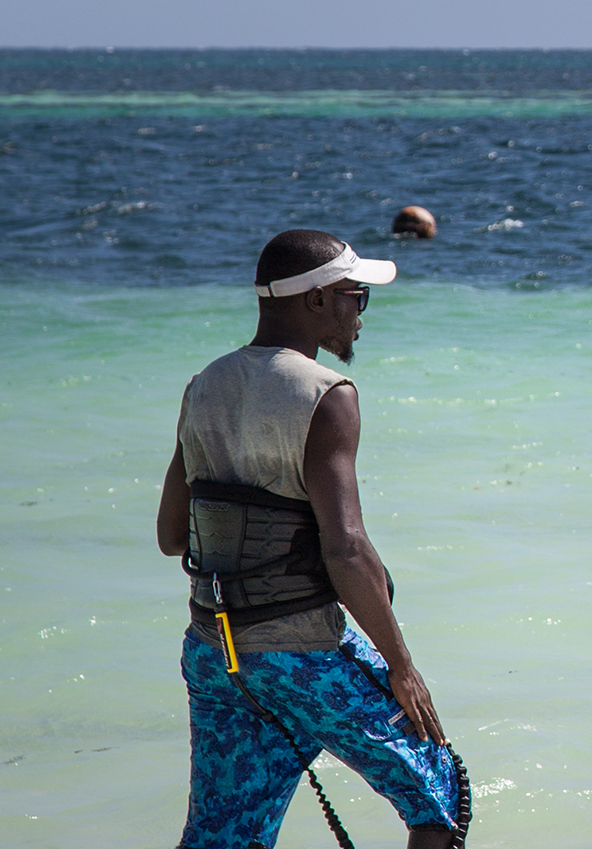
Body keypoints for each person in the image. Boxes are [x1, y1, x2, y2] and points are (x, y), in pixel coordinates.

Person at [155, 229, 468, 849]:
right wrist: (401, 667)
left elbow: (170, 535)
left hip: (214, 652)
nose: (359, 312)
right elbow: (345, 549)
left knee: (225, 832)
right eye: (355, 295)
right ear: (318, 300)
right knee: (438, 793)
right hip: (300, 652)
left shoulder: (204, 385)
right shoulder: (328, 395)